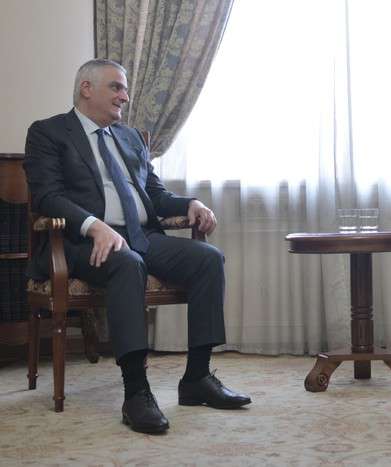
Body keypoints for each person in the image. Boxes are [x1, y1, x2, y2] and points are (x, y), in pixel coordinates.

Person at [24, 59, 251, 433]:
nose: (125, 97)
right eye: (116, 87)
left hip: (141, 236)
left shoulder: (129, 138)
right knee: (128, 263)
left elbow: (155, 195)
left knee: (208, 259)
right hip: (81, 243)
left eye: (125, 89)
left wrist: (191, 203)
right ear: (86, 88)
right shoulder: (48, 133)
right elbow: (48, 196)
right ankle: (136, 393)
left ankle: (197, 379)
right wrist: (95, 226)